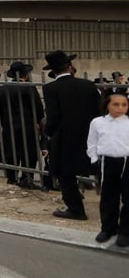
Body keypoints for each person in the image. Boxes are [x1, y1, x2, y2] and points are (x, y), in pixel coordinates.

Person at [42, 50, 101, 220]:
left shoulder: (50, 88)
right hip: (90, 135)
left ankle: (76, 209)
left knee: (65, 173)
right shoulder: (88, 85)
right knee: (100, 170)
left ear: (53, 71)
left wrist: (49, 133)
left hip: (64, 137)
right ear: (69, 66)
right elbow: (98, 111)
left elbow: (53, 116)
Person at [0, 61, 44, 188]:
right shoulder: (29, 87)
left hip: (9, 126)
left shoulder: (2, 89)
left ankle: (11, 178)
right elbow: (37, 107)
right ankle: (26, 178)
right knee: (29, 153)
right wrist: (38, 121)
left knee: (11, 152)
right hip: (27, 126)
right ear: (25, 75)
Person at [86, 90, 129, 245]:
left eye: (124, 104)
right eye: (116, 104)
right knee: (108, 197)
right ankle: (108, 228)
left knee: (128, 198)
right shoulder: (98, 123)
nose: (120, 108)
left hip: (126, 161)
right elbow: (92, 142)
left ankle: (125, 232)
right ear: (107, 105)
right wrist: (94, 159)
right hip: (107, 162)